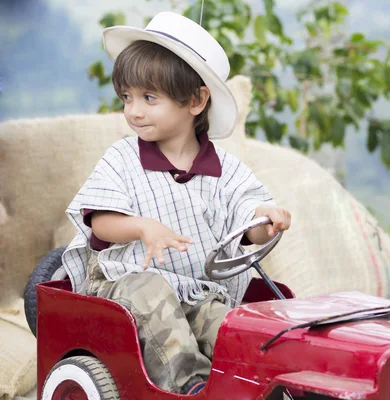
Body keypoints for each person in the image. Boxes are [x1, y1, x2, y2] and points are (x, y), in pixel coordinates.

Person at [61, 11, 291, 395]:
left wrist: (264, 219)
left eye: (150, 98)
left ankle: (257, 385)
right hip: (124, 284)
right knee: (152, 299)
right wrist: (141, 227)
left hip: (198, 290)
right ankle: (191, 387)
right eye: (127, 97)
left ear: (196, 101)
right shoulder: (123, 158)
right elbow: (99, 222)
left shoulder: (225, 170)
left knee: (229, 329)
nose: (133, 110)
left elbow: (246, 220)